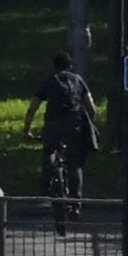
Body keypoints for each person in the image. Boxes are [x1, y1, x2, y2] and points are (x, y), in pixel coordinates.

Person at [36, 57, 100, 201]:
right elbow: (92, 108)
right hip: (74, 125)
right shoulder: (78, 80)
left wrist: (26, 129)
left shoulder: (49, 81)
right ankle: (76, 203)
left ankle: (45, 187)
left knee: (49, 151)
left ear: (54, 66)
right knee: (75, 164)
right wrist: (88, 123)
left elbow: (33, 106)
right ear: (70, 66)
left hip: (53, 125)